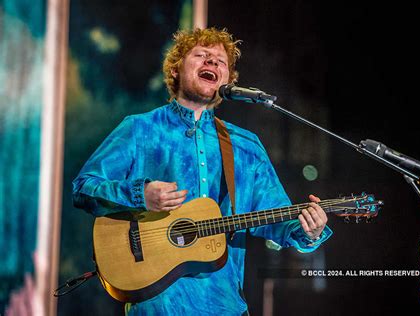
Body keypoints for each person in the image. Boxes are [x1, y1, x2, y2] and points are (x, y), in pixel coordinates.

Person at [72, 27, 333, 315]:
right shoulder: (140, 129)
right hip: (157, 306)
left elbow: (277, 218)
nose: (211, 63)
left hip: (225, 305)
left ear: (227, 81)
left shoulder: (245, 146)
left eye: (220, 61)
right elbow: (84, 187)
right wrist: (140, 195)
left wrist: (309, 230)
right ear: (175, 69)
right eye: (201, 56)